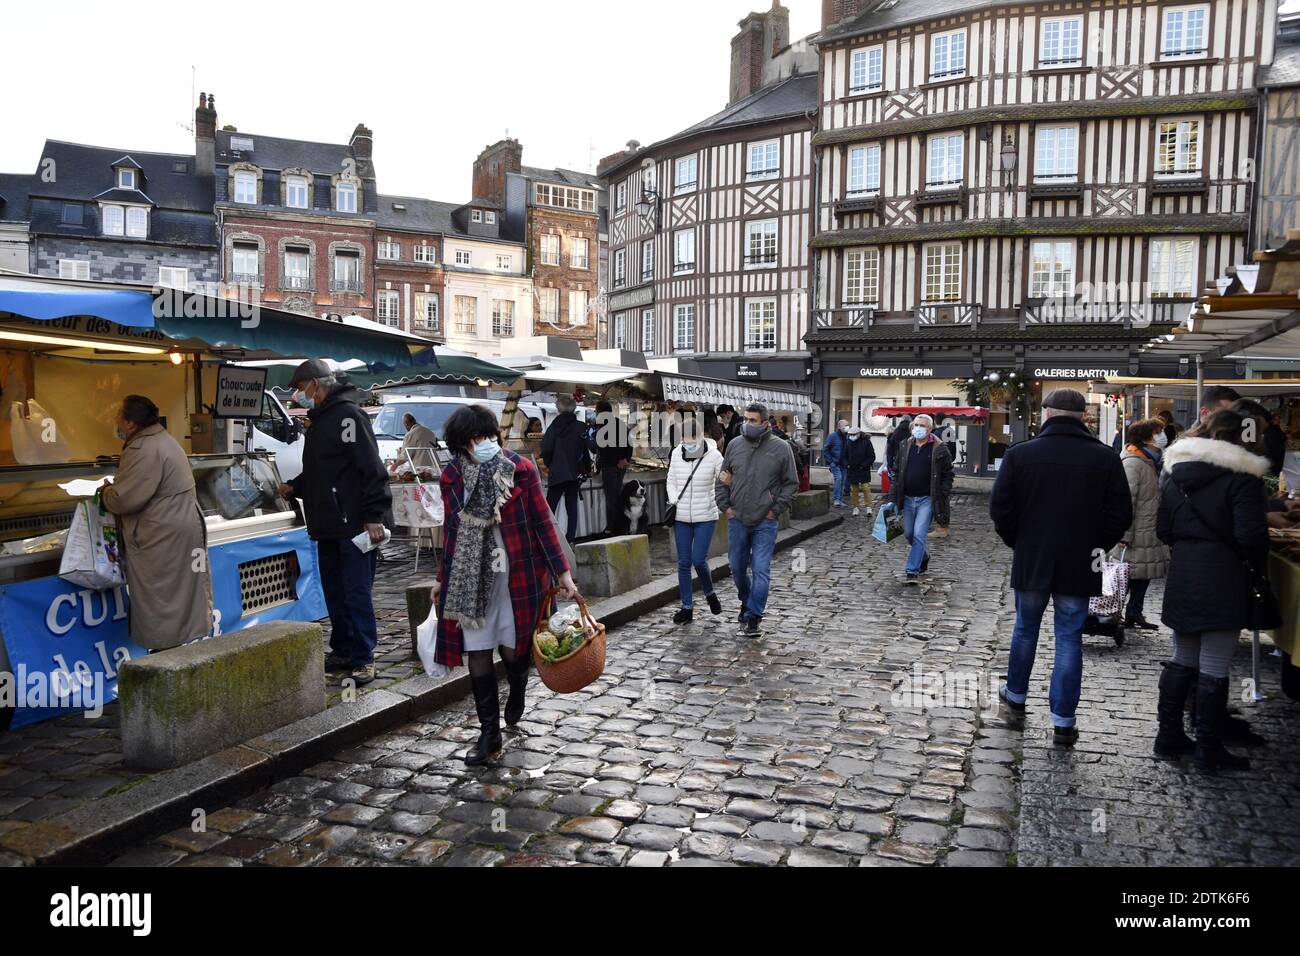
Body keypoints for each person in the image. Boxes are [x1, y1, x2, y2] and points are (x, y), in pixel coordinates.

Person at [429, 405, 579, 765]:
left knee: (514, 652)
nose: (482, 444)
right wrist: (440, 580)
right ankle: (489, 736)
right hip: (471, 579)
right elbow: (450, 531)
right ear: (461, 445)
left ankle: (518, 684)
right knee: (478, 651)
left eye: (486, 436)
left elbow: (543, 523)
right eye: (473, 440)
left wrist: (563, 574)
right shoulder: (451, 477)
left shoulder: (521, 470)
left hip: (518, 575)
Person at [989, 388, 1132, 746]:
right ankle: (1063, 721)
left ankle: (1017, 696)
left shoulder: (1021, 455)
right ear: (1083, 416)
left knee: (1025, 630)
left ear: (1047, 414)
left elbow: (1001, 509)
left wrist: (1020, 542)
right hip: (1080, 561)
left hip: (1034, 557)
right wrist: (1094, 545)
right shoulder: (1104, 457)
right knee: (1069, 639)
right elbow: (1120, 516)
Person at [1155, 409, 1274, 770]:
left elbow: (1164, 529)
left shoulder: (1175, 472)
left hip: (1185, 571)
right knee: (1214, 662)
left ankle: (1169, 734)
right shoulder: (1243, 477)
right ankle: (1208, 746)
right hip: (1223, 573)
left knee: (1183, 657)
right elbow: (1250, 535)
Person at [276, 361, 390, 685]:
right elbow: (322, 472)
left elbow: (371, 468)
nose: (298, 395)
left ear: (315, 384)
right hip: (326, 523)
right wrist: (297, 486)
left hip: (352, 523)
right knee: (335, 593)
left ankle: (364, 656)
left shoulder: (349, 416)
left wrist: (373, 515)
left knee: (356, 593)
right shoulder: (319, 421)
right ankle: (342, 649)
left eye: (299, 388)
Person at [100, 395, 213, 652]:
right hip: (179, 528)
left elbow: (125, 499)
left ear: (130, 423)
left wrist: (106, 493)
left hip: (161, 535)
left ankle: (165, 660)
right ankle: (179, 651)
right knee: (180, 595)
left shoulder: (143, 448)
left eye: (119, 416)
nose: (115, 421)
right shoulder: (164, 440)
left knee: (161, 599)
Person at [716, 403, 799, 638]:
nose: (747, 424)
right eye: (745, 419)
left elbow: (791, 483)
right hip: (738, 518)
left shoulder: (781, 448)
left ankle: (754, 615)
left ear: (764, 423)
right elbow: (722, 479)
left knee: (761, 569)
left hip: (766, 520)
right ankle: (746, 600)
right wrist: (727, 508)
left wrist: (776, 510)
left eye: (752, 420)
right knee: (737, 568)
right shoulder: (734, 445)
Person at [666, 416, 725, 623]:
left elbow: (723, 481)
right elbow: (671, 480)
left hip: (706, 515)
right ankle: (687, 607)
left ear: (701, 436)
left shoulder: (714, 455)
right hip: (681, 516)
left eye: (692, 440)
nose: (688, 444)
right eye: (685, 440)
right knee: (683, 562)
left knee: (699, 559)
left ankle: (709, 593)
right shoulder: (676, 453)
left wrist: (728, 482)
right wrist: (674, 500)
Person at [1115, 419, 1169, 630]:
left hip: (1147, 528)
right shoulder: (1133, 462)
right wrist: (1124, 534)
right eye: (1159, 431)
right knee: (1127, 575)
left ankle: (1134, 612)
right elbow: (1127, 499)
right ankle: (1113, 611)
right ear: (1148, 437)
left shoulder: (1150, 460)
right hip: (1136, 530)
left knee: (1142, 574)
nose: (1163, 435)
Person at [891, 414, 954, 584]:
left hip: (927, 499)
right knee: (909, 533)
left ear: (930, 429)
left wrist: (943, 491)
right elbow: (897, 471)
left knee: (919, 534)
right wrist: (894, 496)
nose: (918, 428)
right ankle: (923, 556)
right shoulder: (905, 445)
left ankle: (912, 571)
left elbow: (948, 473)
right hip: (908, 498)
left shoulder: (940, 448)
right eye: (916, 425)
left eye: (922, 425)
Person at [539, 393, 590, 542]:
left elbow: (546, 449)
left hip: (557, 472)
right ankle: (570, 539)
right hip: (574, 473)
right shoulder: (581, 427)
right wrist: (586, 467)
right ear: (574, 409)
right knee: (571, 508)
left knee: (549, 508)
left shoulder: (553, 427)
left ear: (558, 409)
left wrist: (550, 465)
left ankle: (547, 538)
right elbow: (587, 449)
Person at [588, 399, 633, 538]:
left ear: (599, 411)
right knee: (617, 497)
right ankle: (621, 527)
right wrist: (625, 459)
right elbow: (629, 444)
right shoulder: (620, 423)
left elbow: (597, 447)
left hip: (610, 466)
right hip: (620, 466)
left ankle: (613, 529)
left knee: (612, 499)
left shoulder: (600, 425)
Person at [843, 424, 876, 517]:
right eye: (850, 435)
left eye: (853, 434)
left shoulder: (866, 442)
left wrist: (864, 465)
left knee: (866, 488)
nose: (851, 436)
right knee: (854, 489)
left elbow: (872, 456)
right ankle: (855, 507)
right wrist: (847, 464)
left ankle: (868, 507)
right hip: (852, 469)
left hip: (863, 470)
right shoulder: (848, 442)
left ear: (858, 433)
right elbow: (844, 455)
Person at [822, 419, 849, 508]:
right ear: (839, 427)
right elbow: (825, 449)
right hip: (835, 463)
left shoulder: (847, 436)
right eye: (844, 425)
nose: (846, 427)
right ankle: (836, 499)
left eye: (847, 425)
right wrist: (831, 461)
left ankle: (840, 500)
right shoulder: (833, 436)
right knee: (839, 479)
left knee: (843, 481)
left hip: (844, 463)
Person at [884, 416, 912, 481]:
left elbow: (890, 451)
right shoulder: (911, 432)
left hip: (897, 460)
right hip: (909, 460)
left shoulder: (896, 432)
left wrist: (890, 466)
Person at [1263, 411, 1288, 476]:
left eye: (1279, 419)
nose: (1279, 420)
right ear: (1272, 420)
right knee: (1275, 470)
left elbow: (1283, 437)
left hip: (1277, 454)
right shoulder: (1271, 429)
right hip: (1274, 454)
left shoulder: (1276, 427)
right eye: (1276, 419)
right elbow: (1283, 438)